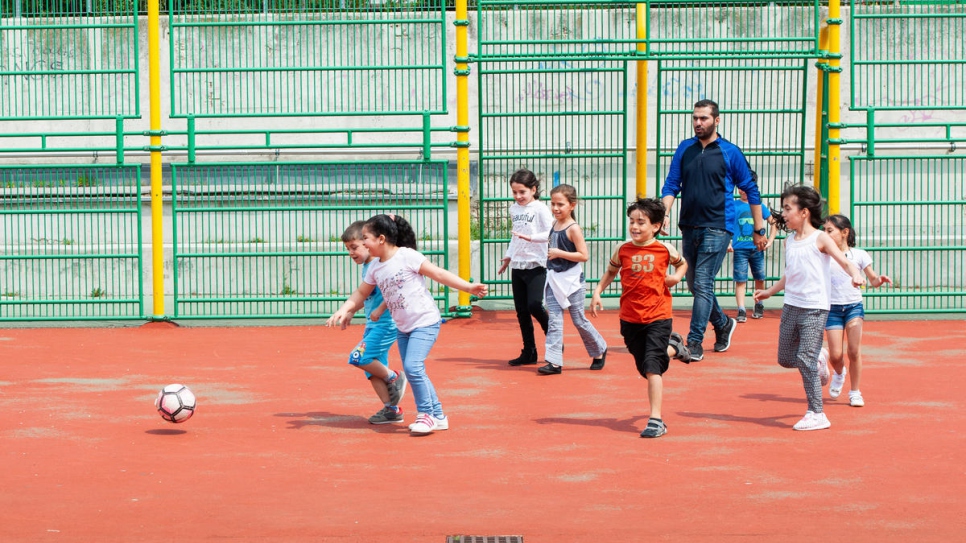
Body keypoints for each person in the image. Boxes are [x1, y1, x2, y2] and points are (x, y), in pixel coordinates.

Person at [327, 214, 488, 435]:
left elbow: (438, 274)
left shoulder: (407, 256)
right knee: (414, 370)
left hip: (425, 322)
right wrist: (344, 309)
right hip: (403, 327)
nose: (363, 243)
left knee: (413, 368)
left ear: (381, 239)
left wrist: (468, 288)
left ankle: (426, 415)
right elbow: (361, 293)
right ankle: (439, 415)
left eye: (366, 238)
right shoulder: (375, 268)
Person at [661, 99, 768, 361]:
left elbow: (751, 190)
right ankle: (722, 324)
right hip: (689, 225)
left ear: (716, 120)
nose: (698, 123)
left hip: (719, 227)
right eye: (695, 118)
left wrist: (759, 228)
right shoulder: (685, 148)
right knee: (694, 285)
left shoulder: (730, 152)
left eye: (704, 119)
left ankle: (694, 342)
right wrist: (663, 214)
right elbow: (672, 184)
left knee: (703, 281)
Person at [754, 185, 864, 431]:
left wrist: (856, 274)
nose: (783, 213)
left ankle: (817, 412)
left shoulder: (820, 238)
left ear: (804, 212)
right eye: (783, 208)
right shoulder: (789, 240)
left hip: (815, 308)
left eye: (787, 208)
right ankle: (820, 358)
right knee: (784, 358)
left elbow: (844, 261)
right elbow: (789, 274)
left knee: (804, 358)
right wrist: (770, 291)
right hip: (792, 305)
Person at [591, 198, 691, 438]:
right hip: (630, 318)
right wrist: (597, 291)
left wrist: (676, 278)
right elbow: (611, 271)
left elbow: (683, 264)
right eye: (632, 222)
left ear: (656, 226)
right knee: (643, 365)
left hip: (658, 315)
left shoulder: (665, 249)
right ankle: (675, 348)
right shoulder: (622, 249)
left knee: (652, 367)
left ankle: (656, 420)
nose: (634, 227)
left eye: (641, 222)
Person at [514, 184, 607, 374]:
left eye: (560, 205)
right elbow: (545, 239)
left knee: (579, 320)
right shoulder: (554, 224)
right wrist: (528, 238)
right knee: (555, 321)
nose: (555, 208)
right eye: (553, 204)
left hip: (572, 281)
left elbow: (583, 255)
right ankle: (554, 362)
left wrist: (560, 253)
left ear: (572, 205)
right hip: (554, 279)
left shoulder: (574, 229)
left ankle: (599, 348)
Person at [336, 221, 408, 425]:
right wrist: (351, 311)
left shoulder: (380, 265)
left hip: (386, 325)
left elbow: (393, 289)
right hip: (373, 325)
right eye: (348, 249)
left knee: (358, 357)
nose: (351, 252)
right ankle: (391, 410)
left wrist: (381, 309)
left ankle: (394, 376)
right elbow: (365, 295)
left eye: (355, 246)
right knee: (372, 368)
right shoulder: (368, 267)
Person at [822, 214, 893, 407]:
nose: (825, 234)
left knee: (854, 351)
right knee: (836, 355)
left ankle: (855, 392)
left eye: (830, 231)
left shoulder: (859, 255)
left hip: (853, 307)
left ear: (844, 232)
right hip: (832, 309)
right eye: (824, 231)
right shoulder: (824, 255)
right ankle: (839, 373)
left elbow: (872, 279)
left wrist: (880, 280)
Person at [499, 169, 553, 366]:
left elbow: (550, 233)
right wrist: (508, 256)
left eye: (522, 192)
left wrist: (530, 238)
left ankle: (554, 339)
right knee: (521, 310)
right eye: (514, 192)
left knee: (534, 305)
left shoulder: (540, 209)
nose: (518, 196)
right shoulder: (514, 209)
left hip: (536, 263)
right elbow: (516, 235)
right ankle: (529, 351)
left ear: (533, 189)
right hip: (518, 264)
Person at [729, 185, 778, 322]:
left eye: (746, 188)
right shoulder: (734, 205)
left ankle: (759, 304)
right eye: (740, 188)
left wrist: (771, 240)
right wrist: (728, 242)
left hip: (757, 248)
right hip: (740, 249)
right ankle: (741, 309)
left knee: (760, 278)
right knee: (740, 280)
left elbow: (774, 223)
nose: (743, 191)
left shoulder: (759, 205)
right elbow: (725, 223)